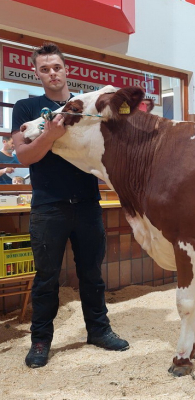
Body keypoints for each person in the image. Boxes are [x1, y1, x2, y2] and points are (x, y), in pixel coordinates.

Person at [11, 42, 129, 368]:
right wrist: (48, 135)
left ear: (66, 70)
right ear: (36, 72)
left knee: (92, 274)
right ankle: (40, 341)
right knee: (46, 278)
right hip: (48, 206)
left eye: (57, 67)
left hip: (89, 203)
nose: (52, 73)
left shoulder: (85, 105)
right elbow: (24, 155)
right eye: (45, 68)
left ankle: (99, 331)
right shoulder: (25, 108)